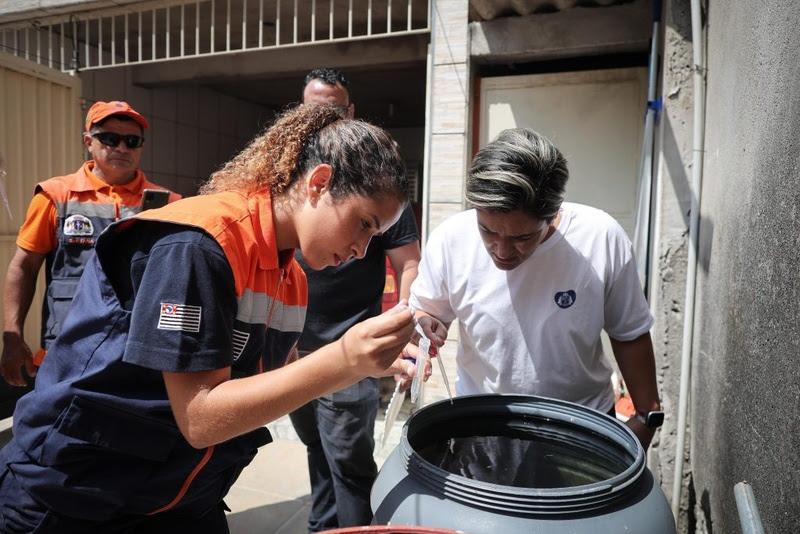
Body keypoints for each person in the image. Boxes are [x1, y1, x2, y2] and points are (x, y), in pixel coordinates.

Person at [0, 104, 418, 533]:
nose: (362, 251)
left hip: (175, 496)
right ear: (319, 183)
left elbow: (276, 378)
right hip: (74, 490)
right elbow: (200, 417)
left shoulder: (291, 277)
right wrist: (344, 360)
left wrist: (363, 363)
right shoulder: (199, 245)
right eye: (364, 224)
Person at [409, 128, 663, 450]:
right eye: (487, 231)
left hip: (582, 427)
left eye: (521, 238)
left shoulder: (600, 239)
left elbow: (630, 331)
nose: (501, 250)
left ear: (552, 214)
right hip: (482, 427)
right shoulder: (450, 240)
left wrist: (647, 416)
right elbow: (426, 312)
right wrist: (424, 327)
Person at [289, 67, 421, 532]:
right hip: (292, 348)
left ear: (351, 113)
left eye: (334, 109)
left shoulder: (374, 183)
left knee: (349, 464)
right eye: (314, 109)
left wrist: (404, 331)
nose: (324, 118)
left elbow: (408, 264)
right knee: (317, 451)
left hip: (350, 354)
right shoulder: (286, 176)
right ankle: (322, 526)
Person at [0, 100, 181, 387]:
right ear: (88, 142)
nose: (122, 148)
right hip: (67, 348)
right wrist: (12, 337)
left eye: (132, 141)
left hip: (137, 352)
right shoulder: (55, 195)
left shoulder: (169, 202)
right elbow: (24, 267)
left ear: (141, 148)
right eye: (110, 138)